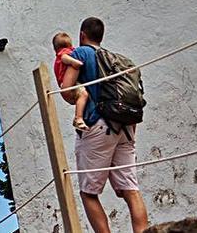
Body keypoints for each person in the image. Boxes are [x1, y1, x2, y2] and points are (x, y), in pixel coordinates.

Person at [59, 17, 149, 233]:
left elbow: (66, 90)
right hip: (126, 127)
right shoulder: (117, 59)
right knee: (130, 189)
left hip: (98, 125)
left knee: (89, 192)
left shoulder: (81, 53)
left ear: (82, 35)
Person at [52, 32, 90, 131]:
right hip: (68, 84)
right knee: (84, 94)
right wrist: (74, 62)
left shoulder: (59, 55)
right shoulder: (64, 53)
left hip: (64, 84)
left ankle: (79, 117)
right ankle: (78, 118)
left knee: (81, 96)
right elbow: (65, 58)